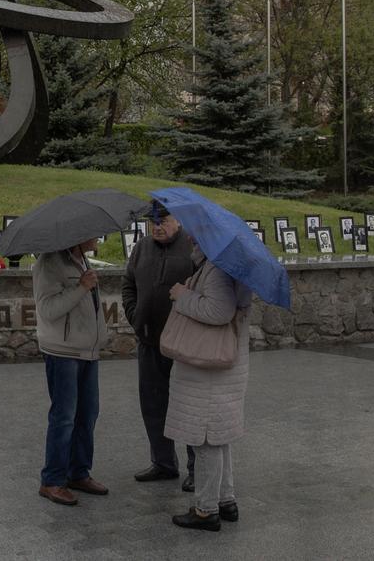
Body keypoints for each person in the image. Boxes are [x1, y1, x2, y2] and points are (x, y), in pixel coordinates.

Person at [165, 246, 253, 532]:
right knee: (219, 437)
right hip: (225, 366)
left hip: (209, 370)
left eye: (196, 232)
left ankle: (206, 510)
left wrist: (182, 295)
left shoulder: (216, 268)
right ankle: (226, 500)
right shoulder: (230, 265)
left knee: (204, 440)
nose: (190, 238)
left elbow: (219, 311)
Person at [122, 201, 197, 491]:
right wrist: (134, 314)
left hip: (183, 344)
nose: (157, 226)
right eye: (152, 221)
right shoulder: (141, 248)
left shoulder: (191, 247)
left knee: (187, 407)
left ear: (178, 220)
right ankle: (163, 463)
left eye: (163, 220)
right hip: (149, 340)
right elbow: (128, 284)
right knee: (153, 405)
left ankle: (196, 467)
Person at [32, 235, 110, 506]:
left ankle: (79, 473)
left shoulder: (80, 258)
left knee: (88, 413)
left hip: (88, 350)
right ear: (78, 235)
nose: (98, 238)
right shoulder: (49, 262)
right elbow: (47, 309)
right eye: (93, 234)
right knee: (64, 417)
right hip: (62, 351)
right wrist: (81, 287)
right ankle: (52, 480)